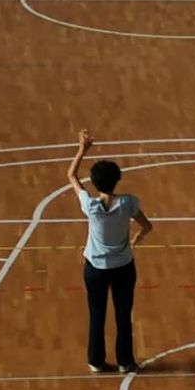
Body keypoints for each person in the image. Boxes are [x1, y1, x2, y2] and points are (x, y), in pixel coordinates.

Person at [66, 129, 153, 373]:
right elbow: (147, 226)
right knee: (123, 315)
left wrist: (83, 149)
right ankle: (125, 361)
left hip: (95, 268)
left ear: (94, 183)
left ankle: (95, 360)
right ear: (118, 179)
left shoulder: (90, 205)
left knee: (97, 314)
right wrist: (137, 237)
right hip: (123, 267)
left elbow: (71, 175)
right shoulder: (128, 203)